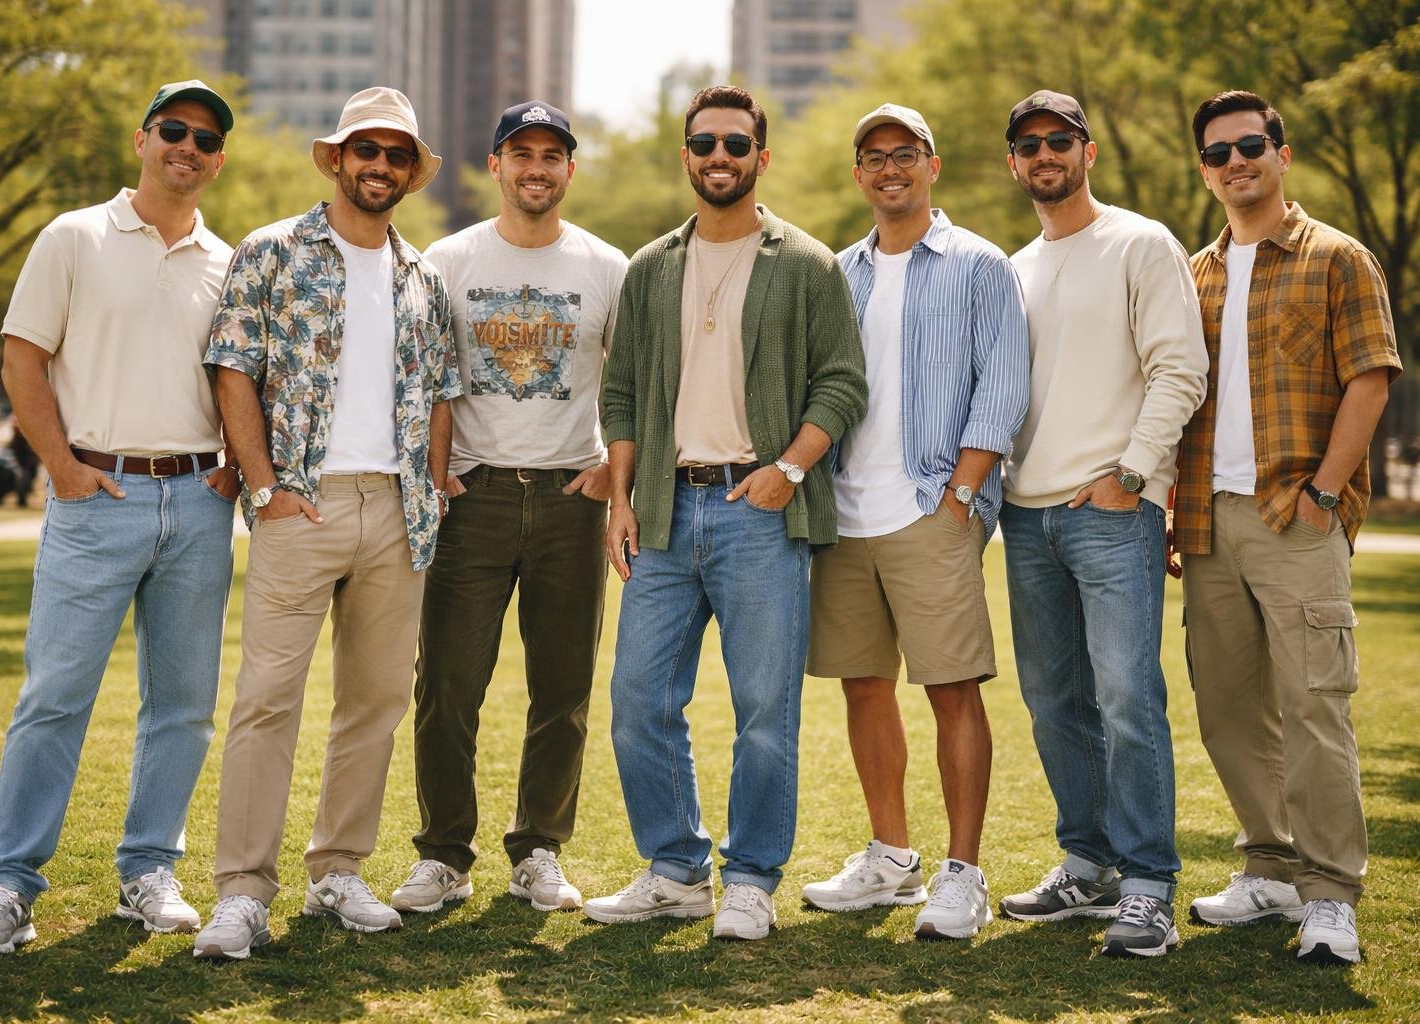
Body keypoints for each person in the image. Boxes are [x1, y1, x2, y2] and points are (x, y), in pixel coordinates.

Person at [0, 80, 239, 955]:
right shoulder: (72, 236)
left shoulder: (228, 262)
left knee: (183, 707)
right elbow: (22, 358)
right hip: (97, 498)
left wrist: (231, 464)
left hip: (198, 504)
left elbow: (237, 379)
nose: (187, 147)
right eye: (174, 131)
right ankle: (8, 887)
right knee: (54, 699)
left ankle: (149, 872)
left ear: (218, 161)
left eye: (204, 139)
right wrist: (66, 471)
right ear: (143, 139)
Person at [585, 85, 867, 941]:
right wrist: (622, 500)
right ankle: (675, 871)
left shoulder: (807, 264)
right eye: (704, 142)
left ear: (759, 158)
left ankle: (750, 879)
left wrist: (788, 469)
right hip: (666, 516)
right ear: (686, 155)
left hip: (760, 514)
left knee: (763, 712)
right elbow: (624, 392)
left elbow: (843, 383)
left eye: (736, 144)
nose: (719, 156)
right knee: (638, 700)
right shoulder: (650, 268)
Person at [193, 87, 460, 961]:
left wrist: (427, 484)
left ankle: (339, 869)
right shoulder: (271, 252)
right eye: (366, 151)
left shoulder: (422, 275)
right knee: (267, 699)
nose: (379, 166)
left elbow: (438, 393)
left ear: (409, 174)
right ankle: (242, 892)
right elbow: (234, 368)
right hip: (298, 504)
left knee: (375, 703)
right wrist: (265, 490)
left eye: (395, 156)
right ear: (339, 159)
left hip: (395, 511)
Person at [1175, 90, 1400, 965]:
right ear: (1205, 171)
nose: (1238, 162)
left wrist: (1324, 493)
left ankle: (1331, 894)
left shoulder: (1339, 258)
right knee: (1229, 712)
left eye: (1251, 145)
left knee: (1314, 709)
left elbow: (1371, 379)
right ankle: (1268, 868)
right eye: (1220, 153)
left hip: (1295, 516)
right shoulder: (1194, 273)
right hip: (1206, 521)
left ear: (1281, 152)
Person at [393, 101, 627, 915]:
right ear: (493, 165)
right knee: (449, 683)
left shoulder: (606, 267)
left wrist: (609, 474)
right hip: (473, 495)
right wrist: (434, 475)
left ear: (569, 170)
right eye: (520, 152)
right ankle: (444, 855)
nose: (536, 167)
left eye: (552, 155)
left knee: (562, 688)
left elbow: (631, 386)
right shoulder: (446, 260)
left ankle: (539, 851)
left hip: (570, 496)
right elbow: (417, 378)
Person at [800, 103, 1027, 941]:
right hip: (847, 515)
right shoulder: (839, 272)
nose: (889, 169)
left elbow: (1002, 385)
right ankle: (891, 858)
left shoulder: (979, 265)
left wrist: (962, 495)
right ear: (859, 175)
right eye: (873, 157)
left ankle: (962, 873)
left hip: (933, 507)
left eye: (905, 154)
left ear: (932, 164)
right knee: (865, 686)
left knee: (952, 688)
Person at [997, 89, 1208, 957]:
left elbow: (1180, 370)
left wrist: (1131, 476)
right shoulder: (1012, 267)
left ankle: (1150, 882)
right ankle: (1089, 865)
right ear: (1013, 163)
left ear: (1086, 151)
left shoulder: (1140, 242)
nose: (1045, 155)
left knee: (1127, 697)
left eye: (1059, 140)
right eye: (1028, 144)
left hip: (1110, 511)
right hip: (1025, 514)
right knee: (1054, 702)